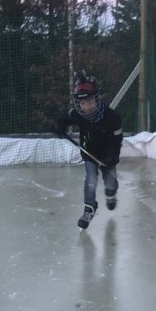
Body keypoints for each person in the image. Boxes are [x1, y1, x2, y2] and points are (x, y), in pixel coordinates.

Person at [55, 70, 123, 229]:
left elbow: (116, 140)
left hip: (108, 155)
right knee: (91, 180)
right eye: (82, 103)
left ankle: (111, 194)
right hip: (89, 153)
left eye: (90, 101)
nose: (86, 106)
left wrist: (112, 157)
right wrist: (59, 126)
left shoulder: (112, 117)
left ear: (98, 98)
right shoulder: (79, 115)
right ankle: (89, 208)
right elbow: (66, 116)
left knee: (111, 182)